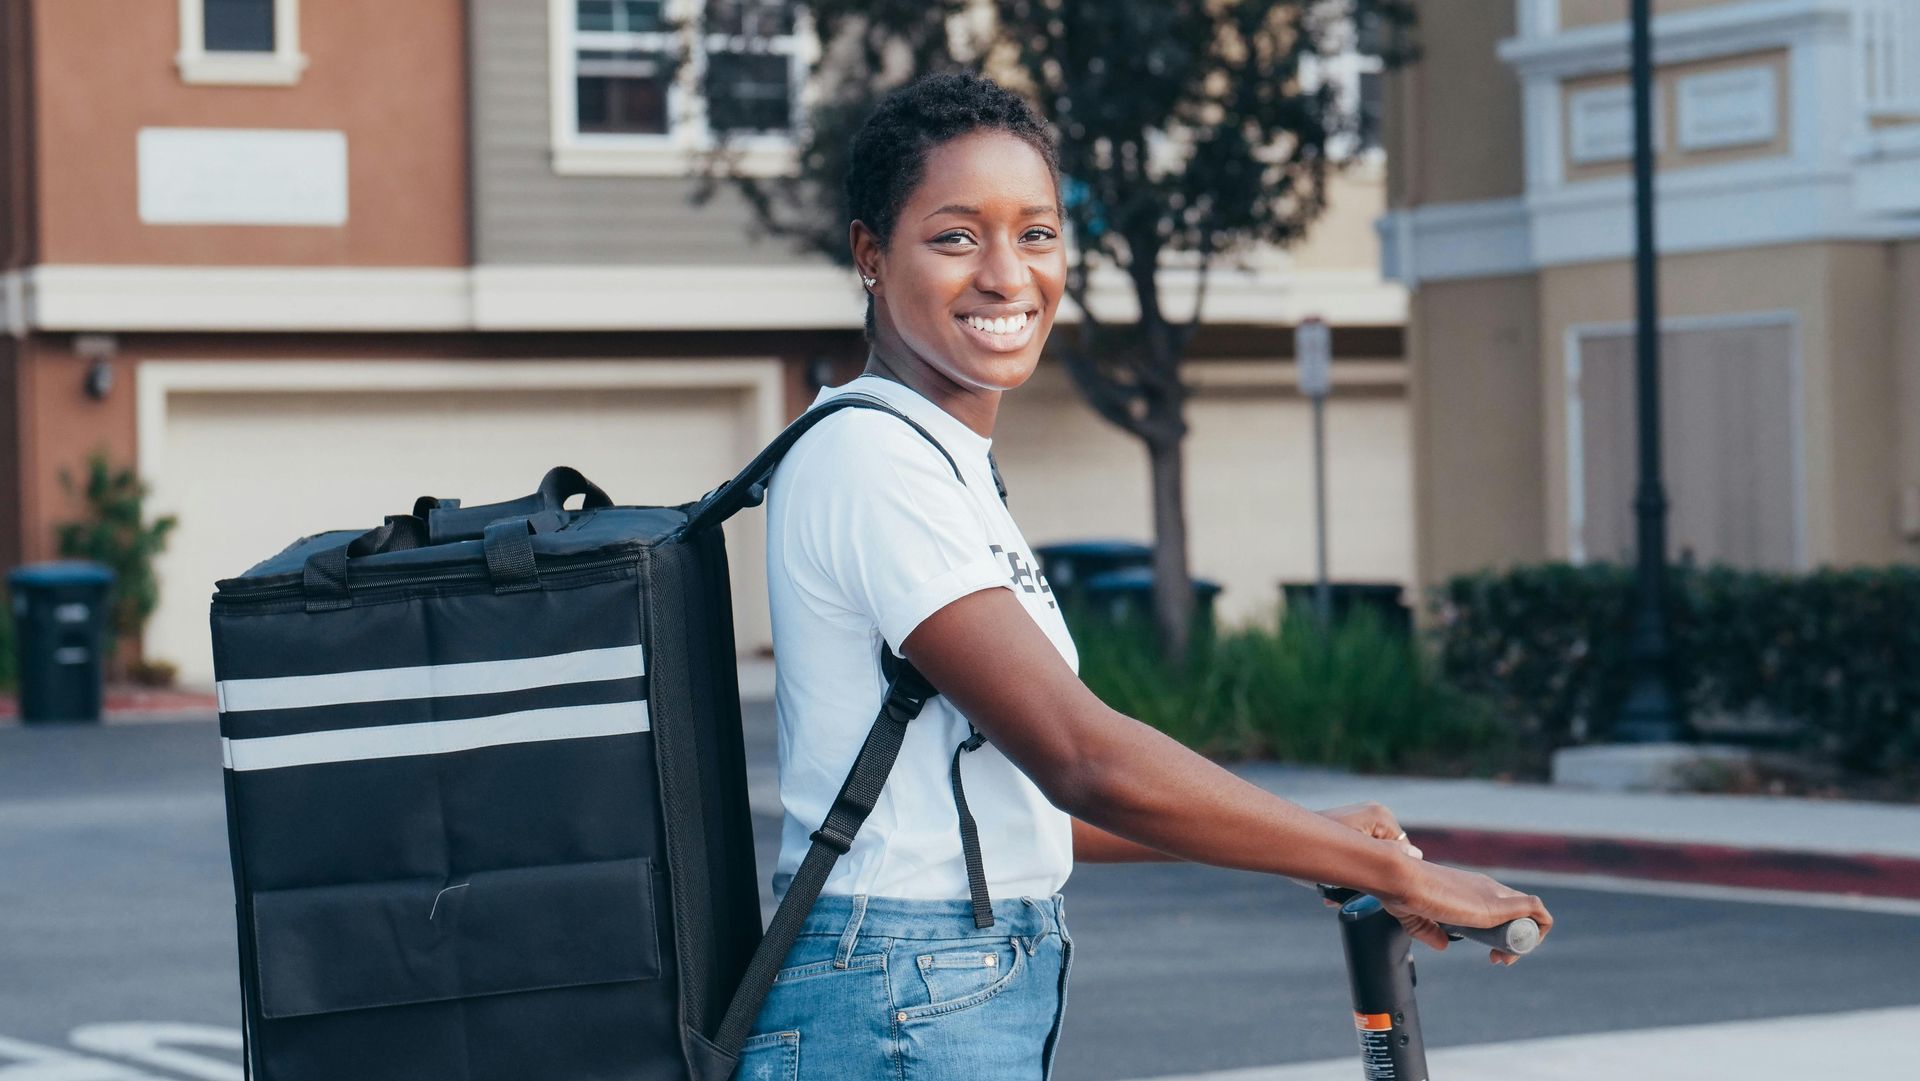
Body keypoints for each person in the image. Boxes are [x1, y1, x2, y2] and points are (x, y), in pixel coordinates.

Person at [749, 72, 1553, 1081]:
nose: (1007, 275)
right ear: (871, 255)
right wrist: (1385, 871)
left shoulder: (944, 465)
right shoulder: (871, 459)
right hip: (899, 994)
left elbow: (1034, 801)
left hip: (944, 982)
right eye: (956, 237)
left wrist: (1314, 835)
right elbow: (1082, 755)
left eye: (1036, 234)